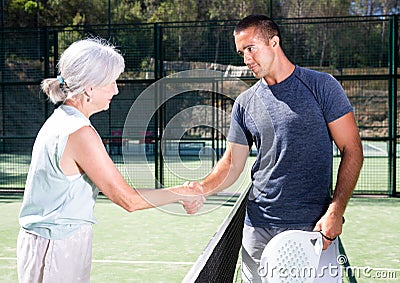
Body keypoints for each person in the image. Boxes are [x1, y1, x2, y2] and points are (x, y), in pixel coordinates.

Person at [189, 15, 364, 282]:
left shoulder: (321, 86)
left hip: (311, 229)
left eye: (251, 48)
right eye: (241, 52)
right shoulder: (245, 103)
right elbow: (231, 164)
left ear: (274, 42)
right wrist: (201, 188)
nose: (246, 59)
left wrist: (335, 212)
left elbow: (352, 150)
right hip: (257, 226)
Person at [17, 38, 205, 283]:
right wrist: (182, 192)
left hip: (51, 243)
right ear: (89, 87)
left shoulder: (62, 120)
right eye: (111, 82)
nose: (116, 90)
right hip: (57, 247)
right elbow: (127, 200)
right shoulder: (78, 132)